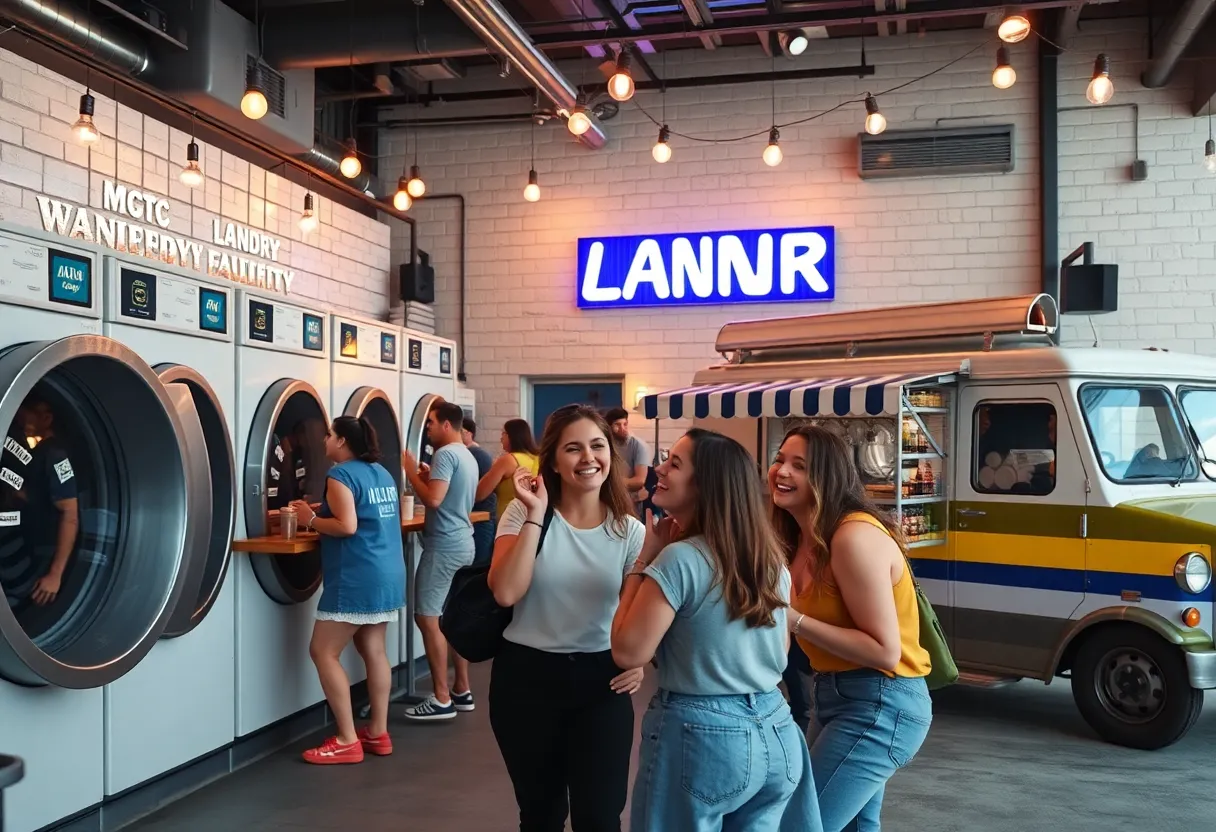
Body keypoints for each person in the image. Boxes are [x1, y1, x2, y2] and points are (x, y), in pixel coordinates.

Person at [612, 428, 818, 832]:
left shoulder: (678, 559)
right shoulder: (770, 560)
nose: (659, 470)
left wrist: (643, 561)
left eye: (674, 463)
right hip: (776, 728)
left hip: (702, 737)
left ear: (705, 484)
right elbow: (781, 644)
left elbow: (627, 651)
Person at [488, 405, 646, 832]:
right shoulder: (523, 515)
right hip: (525, 680)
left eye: (597, 446)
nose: (588, 458)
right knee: (540, 815)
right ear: (553, 460)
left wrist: (638, 660)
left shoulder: (630, 531)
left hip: (601, 681)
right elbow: (505, 591)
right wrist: (537, 514)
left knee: (600, 816)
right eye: (573, 449)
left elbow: (637, 613)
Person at [771, 425, 933, 832]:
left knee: (799, 824)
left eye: (799, 466)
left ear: (826, 476)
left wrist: (794, 620)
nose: (781, 472)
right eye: (779, 460)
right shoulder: (800, 540)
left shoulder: (853, 536)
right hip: (832, 695)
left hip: (881, 701)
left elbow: (883, 650)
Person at [289, 416, 405, 765]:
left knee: (323, 651)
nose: (324, 441)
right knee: (374, 648)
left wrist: (310, 519)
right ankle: (378, 733)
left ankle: (346, 739)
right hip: (387, 571)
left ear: (341, 441)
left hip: (357, 576)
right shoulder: (381, 473)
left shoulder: (339, 475)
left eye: (329, 435)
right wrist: (317, 512)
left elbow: (347, 525)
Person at [401, 400, 479, 720]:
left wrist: (410, 472)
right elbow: (449, 493)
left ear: (447, 425)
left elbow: (433, 499)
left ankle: (440, 697)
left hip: (444, 547)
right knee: (452, 619)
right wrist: (430, 475)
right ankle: (461, 689)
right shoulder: (466, 455)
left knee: (427, 617)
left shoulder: (445, 454)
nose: (428, 428)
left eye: (431, 423)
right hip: (464, 542)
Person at [0, 396, 79, 611]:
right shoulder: (37, 452)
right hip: (29, 547)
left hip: (42, 559)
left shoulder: (55, 454)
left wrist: (55, 574)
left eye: (25, 411)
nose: (18, 416)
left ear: (46, 417)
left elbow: (70, 514)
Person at [475, 418, 540, 511]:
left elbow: (480, 493)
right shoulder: (536, 458)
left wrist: (493, 468)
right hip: (532, 516)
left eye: (503, 433)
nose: (501, 438)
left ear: (512, 435)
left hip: (510, 518)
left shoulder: (508, 460)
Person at [461, 417, 498, 566]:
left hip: (480, 517)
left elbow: (477, 490)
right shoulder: (477, 453)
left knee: (477, 566)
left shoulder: (475, 454)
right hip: (481, 516)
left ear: (469, 434)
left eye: (460, 431)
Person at [605, 407, 651, 513]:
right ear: (609, 427)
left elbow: (639, 480)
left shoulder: (638, 446)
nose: (622, 428)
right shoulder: (606, 445)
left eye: (625, 424)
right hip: (609, 504)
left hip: (632, 505)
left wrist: (611, 483)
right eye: (617, 425)